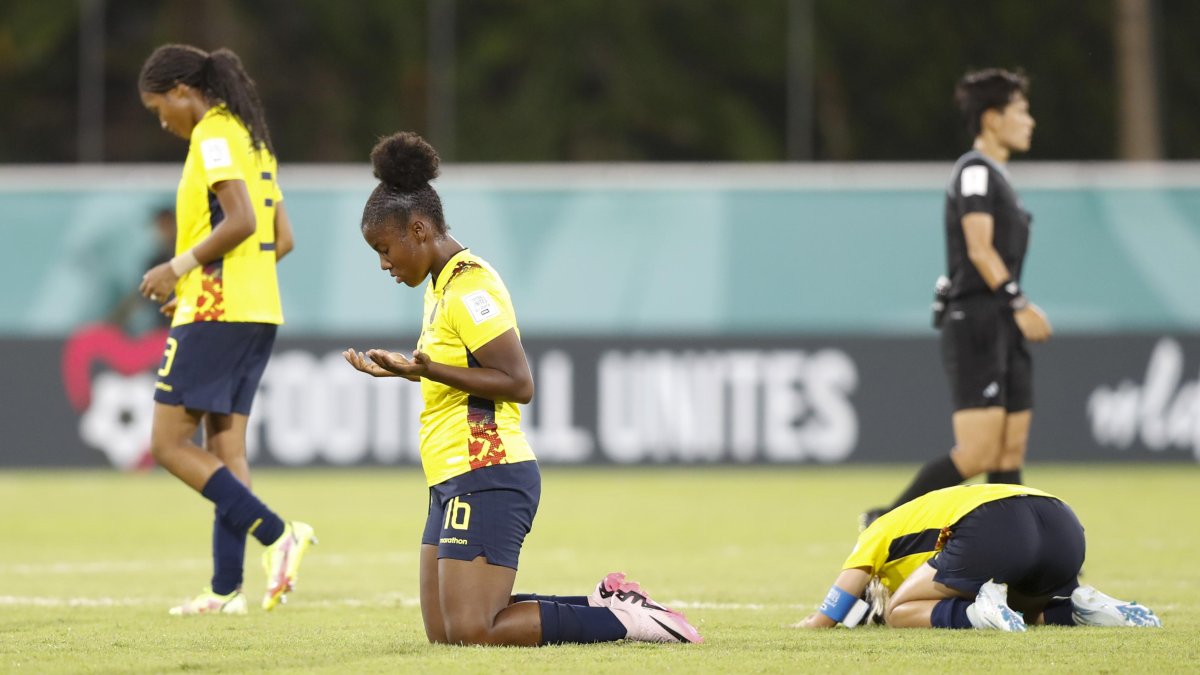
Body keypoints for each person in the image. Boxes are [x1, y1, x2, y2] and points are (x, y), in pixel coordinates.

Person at [342, 131, 702, 646]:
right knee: (446, 632)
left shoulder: (470, 286)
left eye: (384, 248)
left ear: (418, 229)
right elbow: (458, 370)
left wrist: (427, 370)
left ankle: (625, 620)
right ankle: (608, 602)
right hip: (450, 474)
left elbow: (518, 382)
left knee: (473, 629)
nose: (383, 263)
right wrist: (407, 371)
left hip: (487, 470)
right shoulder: (440, 284)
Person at [137, 43, 312, 615]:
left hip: (216, 309)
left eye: (160, 107)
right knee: (225, 448)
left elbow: (239, 220)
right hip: (256, 308)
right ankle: (224, 590)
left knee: (167, 443)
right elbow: (279, 238)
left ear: (184, 90)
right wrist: (220, 281)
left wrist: (179, 268)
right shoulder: (252, 139)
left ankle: (278, 535)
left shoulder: (212, 134)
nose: (163, 121)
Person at [862, 68, 1053, 528]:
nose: (1031, 121)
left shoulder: (998, 177)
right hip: (978, 319)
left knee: (1009, 449)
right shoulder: (974, 172)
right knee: (978, 452)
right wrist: (1018, 301)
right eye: (1021, 111)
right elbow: (978, 247)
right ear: (991, 118)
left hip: (1001, 321)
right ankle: (884, 523)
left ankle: (1016, 561)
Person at [799, 483, 1162, 631]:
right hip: (1063, 522)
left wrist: (812, 624)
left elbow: (839, 598)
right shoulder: (923, 517)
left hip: (996, 525)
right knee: (1020, 609)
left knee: (897, 613)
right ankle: (1079, 608)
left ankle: (976, 614)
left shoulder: (877, 531)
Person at [106, 206, 176, 333]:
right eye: (160, 226)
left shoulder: (187, 256)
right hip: (162, 328)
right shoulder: (155, 261)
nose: (163, 231)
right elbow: (141, 294)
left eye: (166, 225)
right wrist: (113, 321)